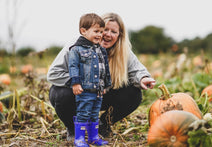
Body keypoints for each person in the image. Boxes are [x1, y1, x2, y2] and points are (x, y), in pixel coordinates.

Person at [47, 12, 156, 142]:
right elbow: (54, 73)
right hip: (78, 94)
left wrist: (143, 78)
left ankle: (103, 125)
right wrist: (81, 81)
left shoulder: (122, 51)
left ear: (119, 35)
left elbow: (137, 70)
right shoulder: (76, 46)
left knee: (133, 93)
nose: (108, 34)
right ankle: (72, 128)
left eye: (114, 32)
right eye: (104, 29)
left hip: (101, 94)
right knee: (60, 94)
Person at [69, 13, 111, 146]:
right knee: (83, 113)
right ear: (83, 31)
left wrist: (105, 85)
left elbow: (104, 69)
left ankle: (93, 137)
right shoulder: (77, 49)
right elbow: (73, 67)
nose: (100, 35)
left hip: (98, 90)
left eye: (101, 32)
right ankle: (79, 139)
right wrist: (75, 83)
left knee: (94, 114)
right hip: (85, 89)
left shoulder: (100, 49)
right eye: (96, 31)